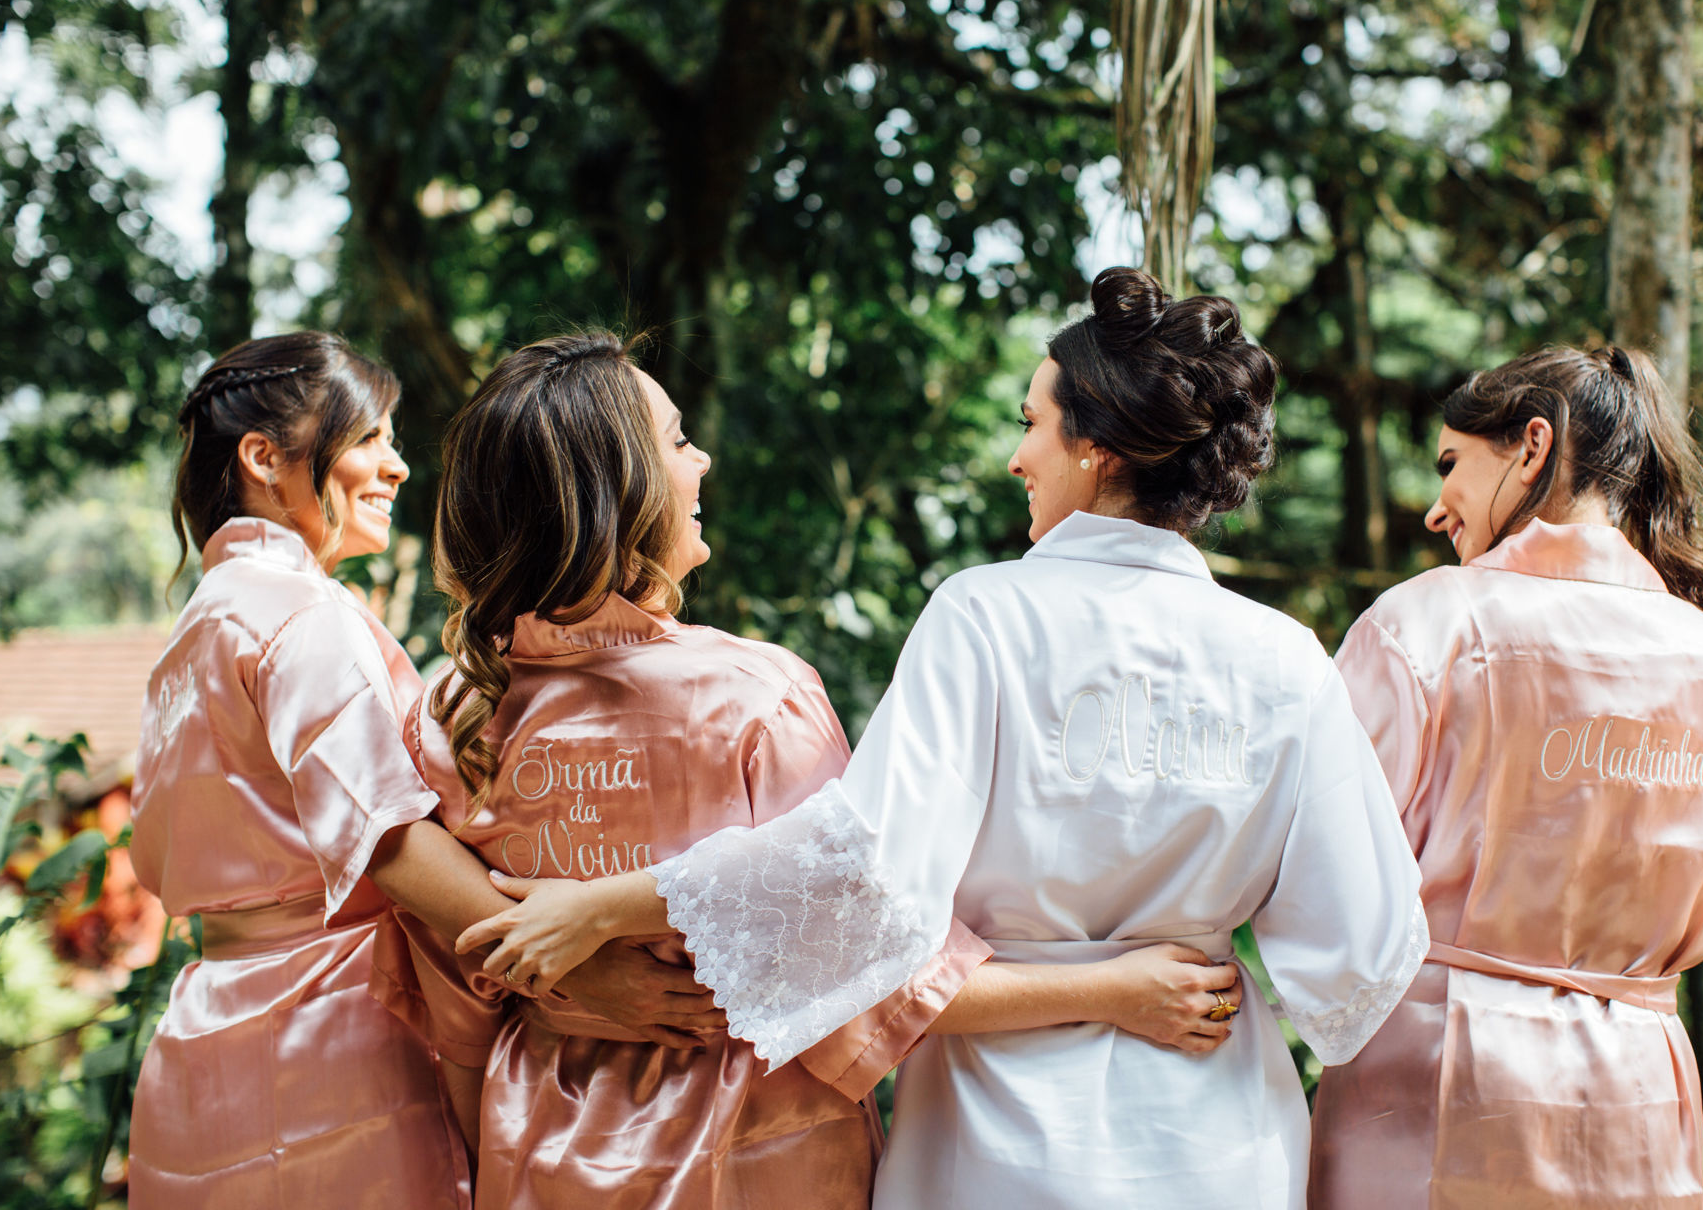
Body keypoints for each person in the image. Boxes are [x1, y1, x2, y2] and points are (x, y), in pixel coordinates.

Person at [460, 272, 1429, 1209]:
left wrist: (600, 910)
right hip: (1217, 1127)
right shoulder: (1287, 657)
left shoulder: (985, 613)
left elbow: (861, 876)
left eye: (1032, 424)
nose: (1018, 457)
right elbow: (1365, 951)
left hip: (1000, 1130)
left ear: (1098, 449)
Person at [378, 331, 1237, 1208]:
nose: (703, 457)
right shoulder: (757, 700)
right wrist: (1114, 992)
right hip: (754, 1160)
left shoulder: (453, 714)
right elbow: (880, 972)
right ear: (616, 489)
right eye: (677, 440)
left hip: (542, 1151)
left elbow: (455, 1000)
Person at [128, 333, 708, 1209]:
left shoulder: (198, 627)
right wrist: (573, 968)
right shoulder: (298, 614)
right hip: (327, 1030)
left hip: (207, 1027)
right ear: (262, 458)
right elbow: (387, 838)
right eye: (367, 440)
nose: (396, 467)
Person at [1306, 345, 1703, 1210]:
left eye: (1452, 465)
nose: (1434, 509)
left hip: (1434, 1089)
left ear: (1533, 446)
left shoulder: (1427, 624)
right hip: (1639, 1100)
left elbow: (1320, 872)